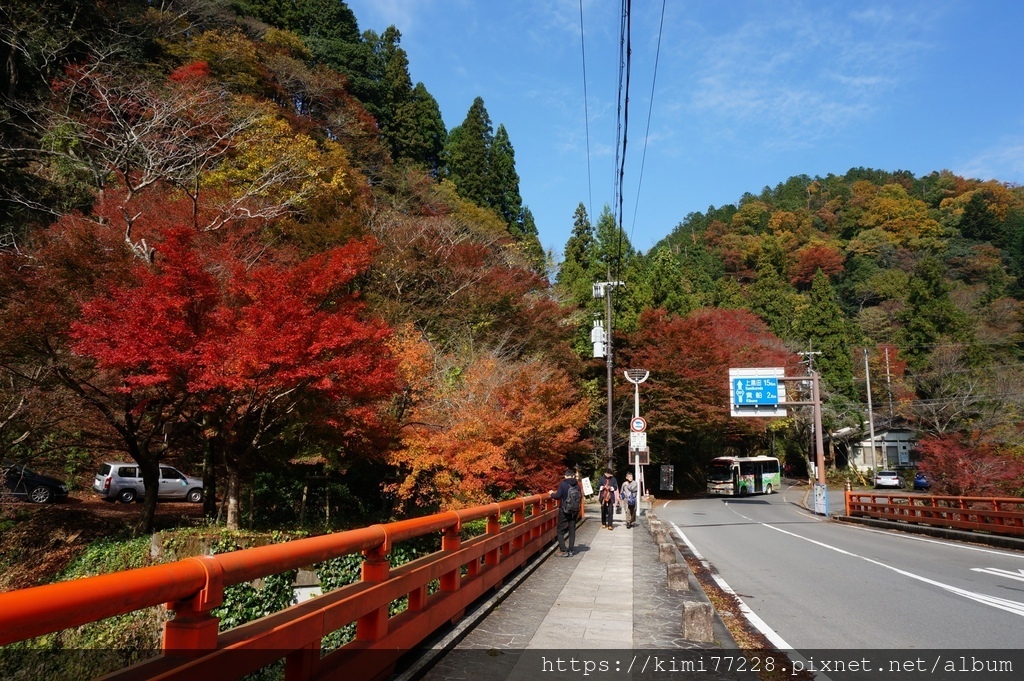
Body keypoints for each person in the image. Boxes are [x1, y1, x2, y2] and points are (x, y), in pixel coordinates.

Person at [549, 469, 581, 557]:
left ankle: (563, 550)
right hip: (574, 510)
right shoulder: (577, 485)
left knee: (560, 530)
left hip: (564, 510)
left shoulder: (563, 484)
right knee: (572, 530)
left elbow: (557, 496)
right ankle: (571, 550)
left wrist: (551, 493)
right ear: (573, 476)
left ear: (565, 476)